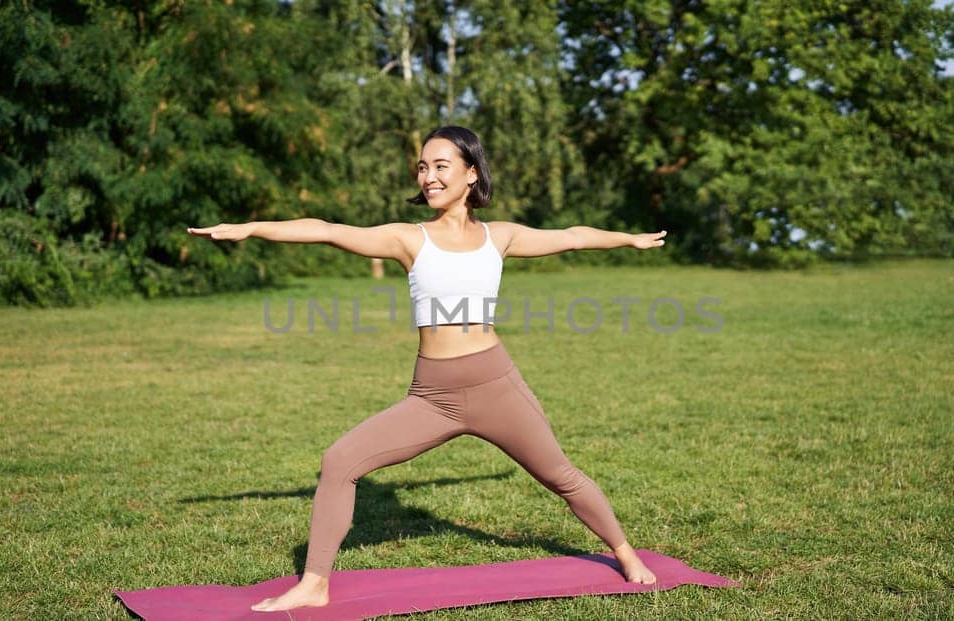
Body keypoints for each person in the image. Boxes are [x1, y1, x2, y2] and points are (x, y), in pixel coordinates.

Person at [187, 126, 668, 612]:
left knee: (560, 475)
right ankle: (315, 582)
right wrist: (251, 228)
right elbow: (328, 230)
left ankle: (626, 553)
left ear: (471, 173)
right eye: (422, 166)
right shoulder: (407, 239)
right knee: (339, 462)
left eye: (441, 166)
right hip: (432, 396)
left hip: (495, 385)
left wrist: (628, 239)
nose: (429, 176)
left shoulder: (498, 237)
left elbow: (571, 237)